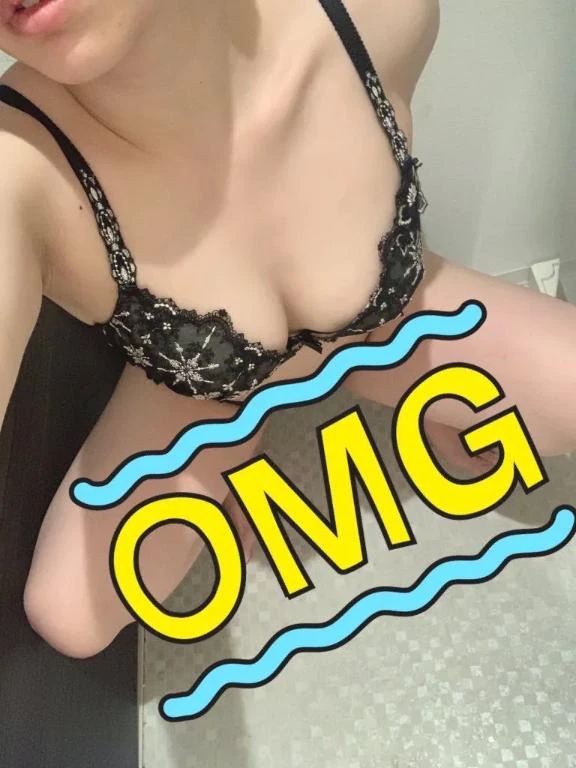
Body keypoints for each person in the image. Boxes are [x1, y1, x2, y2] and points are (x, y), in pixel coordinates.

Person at [0, 0, 574, 660]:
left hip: (387, 328)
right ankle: (242, 433)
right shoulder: (18, 166)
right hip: (206, 401)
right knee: (69, 615)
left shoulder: (379, 15)